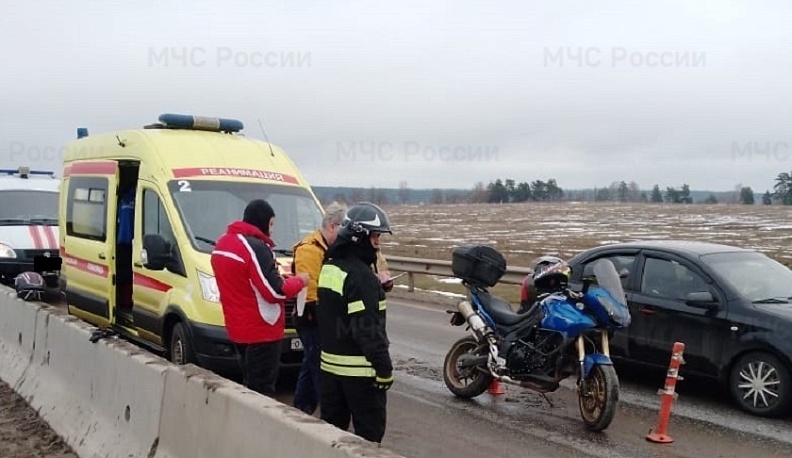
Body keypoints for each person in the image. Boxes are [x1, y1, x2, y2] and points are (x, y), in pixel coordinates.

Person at [210, 199, 308, 397]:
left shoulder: (223, 243)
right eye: (271, 224)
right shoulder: (256, 248)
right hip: (262, 330)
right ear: (262, 221)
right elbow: (275, 292)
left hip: (238, 328)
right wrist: (300, 281)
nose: (271, 231)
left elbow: (248, 281)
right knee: (262, 392)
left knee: (248, 385)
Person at [316, 202, 394, 443]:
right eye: (376, 236)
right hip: (361, 375)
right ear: (360, 236)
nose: (378, 243)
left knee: (331, 440)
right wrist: (384, 371)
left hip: (330, 372)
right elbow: (368, 331)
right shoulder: (362, 277)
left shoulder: (329, 267)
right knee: (368, 442)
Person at [291, 201, 348, 415]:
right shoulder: (309, 249)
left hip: (322, 317)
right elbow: (312, 291)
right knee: (319, 367)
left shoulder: (329, 248)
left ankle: (300, 409)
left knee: (310, 363)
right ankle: (327, 418)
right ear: (333, 226)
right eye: (342, 231)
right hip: (311, 317)